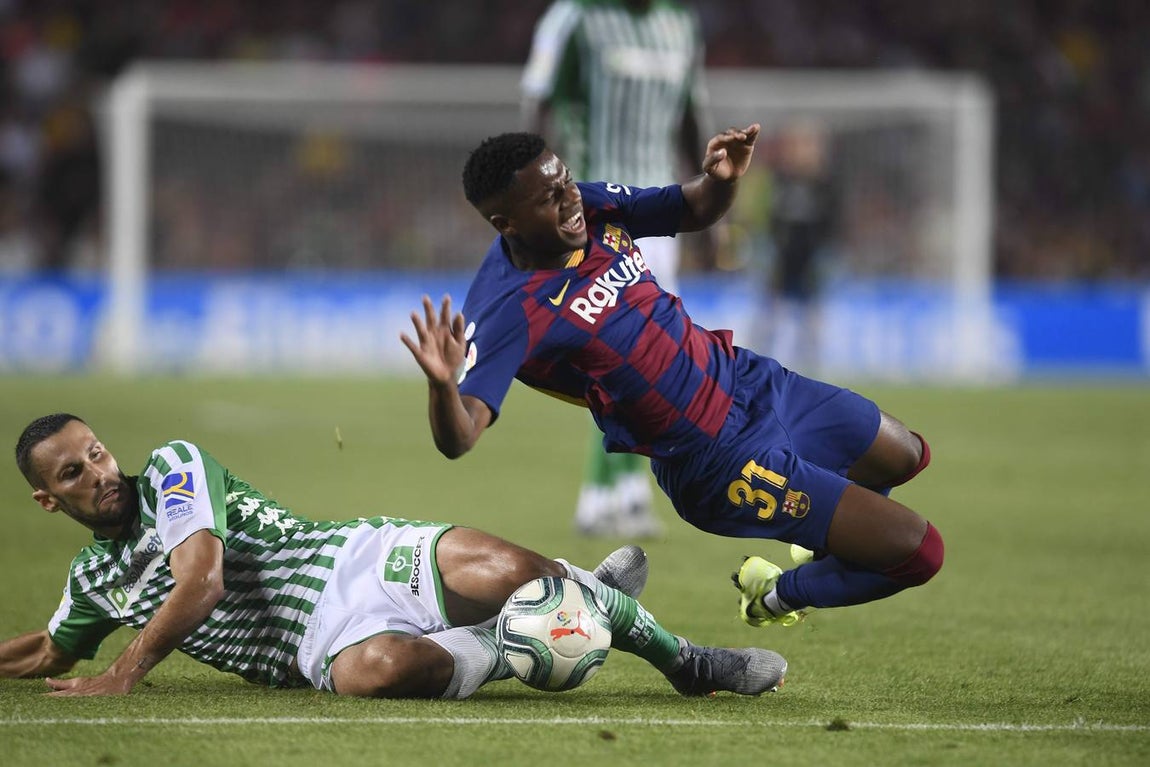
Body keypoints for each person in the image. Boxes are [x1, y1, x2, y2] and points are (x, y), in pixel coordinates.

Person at [401, 125, 943, 631]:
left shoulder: (587, 206)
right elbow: (460, 436)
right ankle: (775, 594)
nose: (569, 201)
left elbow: (691, 208)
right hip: (715, 457)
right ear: (506, 224)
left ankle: (826, 542)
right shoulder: (505, 310)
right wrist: (442, 385)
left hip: (749, 379)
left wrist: (720, 179)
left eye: (564, 181)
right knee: (921, 553)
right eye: (549, 199)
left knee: (907, 455)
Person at [0, 413, 786, 698]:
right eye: (74, 472)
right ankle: (546, 622)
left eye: (97, 453)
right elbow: (45, 647)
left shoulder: (171, 469)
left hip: (353, 559)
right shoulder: (92, 581)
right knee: (373, 674)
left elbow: (200, 581)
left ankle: (688, 660)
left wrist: (125, 668)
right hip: (314, 647)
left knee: (517, 573)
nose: (100, 473)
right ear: (48, 498)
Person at [521, 0, 711, 539]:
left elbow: (690, 118)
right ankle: (604, 494)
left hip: (660, 213)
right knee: (613, 354)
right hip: (592, 208)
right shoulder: (574, 18)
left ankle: (618, 493)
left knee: (647, 358)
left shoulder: (681, 25)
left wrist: (709, 210)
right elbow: (535, 105)